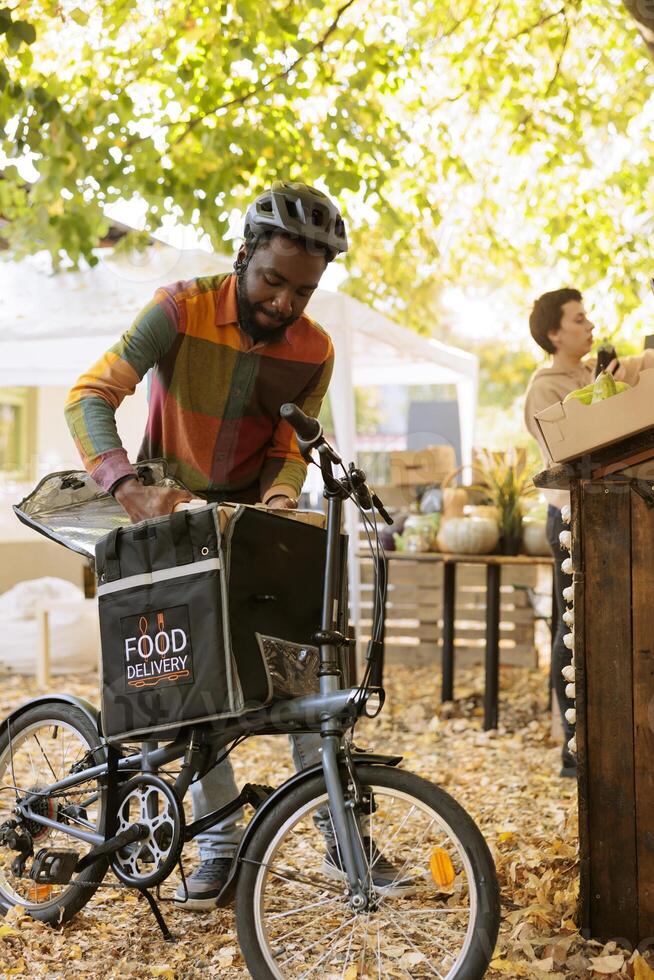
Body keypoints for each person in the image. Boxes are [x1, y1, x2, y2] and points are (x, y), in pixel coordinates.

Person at [65, 180, 405, 909]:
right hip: (165, 524)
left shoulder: (315, 349)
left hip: (251, 529)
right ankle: (218, 847)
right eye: (272, 280)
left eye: (302, 291)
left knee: (313, 667)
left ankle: (343, 839)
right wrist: (127, 487)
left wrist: (283, 496)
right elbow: (90, 395)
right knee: (198, 695)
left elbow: (290, 444)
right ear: (244, 253)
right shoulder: (178, 309)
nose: (284, 302)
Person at [524, 287, 654, 777]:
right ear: (554, 332)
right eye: (579, 319)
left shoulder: (587, 372)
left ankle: (608, 736)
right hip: (568, 518)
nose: (590, 326)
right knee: (572, 625)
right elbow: (568, 450)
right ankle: (573, 749)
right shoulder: (545, 385)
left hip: (607, 510)